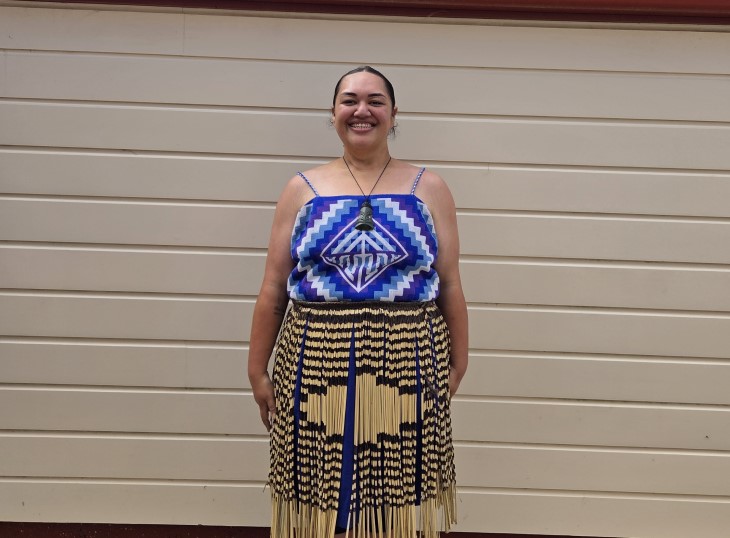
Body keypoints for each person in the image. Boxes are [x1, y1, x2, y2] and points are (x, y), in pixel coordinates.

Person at [248, 65, 468, 538]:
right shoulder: (302, 189)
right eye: (349, 100)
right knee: (320, 494)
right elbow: (273, 288)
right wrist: (256, 369)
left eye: (375, 100)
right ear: (333, 114)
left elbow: (449, 283)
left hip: (405, 360)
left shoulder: (428, 188)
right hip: (314, 361)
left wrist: (458, 361)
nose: (361, 110)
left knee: (396, 496)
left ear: (393, 114)